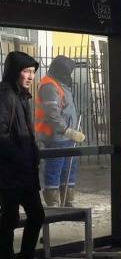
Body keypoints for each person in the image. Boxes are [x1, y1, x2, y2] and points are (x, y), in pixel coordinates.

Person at [0, 52, 53, 259]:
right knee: (9, 219)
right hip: (9, 172)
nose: (31, 76)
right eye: (26, 71)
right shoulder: (5, 96)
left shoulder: (20, 96)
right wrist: (19, 156)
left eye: (33, 72)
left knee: (36, 214)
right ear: (15, 72)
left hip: (23, 171)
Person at [35, 55, 86, 207]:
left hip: (66, 137)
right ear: (61, 70)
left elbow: (67, 110)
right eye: (68, 71)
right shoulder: (50, 86)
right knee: (54, 168)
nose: (69, 74)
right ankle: (54, 203)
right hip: (55, 137)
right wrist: (68, 131)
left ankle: (67, 201)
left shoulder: (60, 84)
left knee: (69, 169)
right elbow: (52, 115)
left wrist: (76, 129)